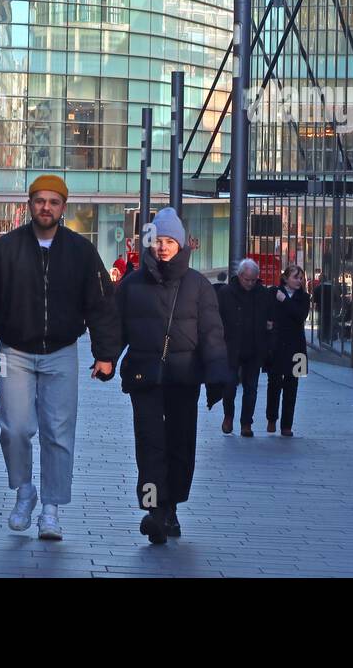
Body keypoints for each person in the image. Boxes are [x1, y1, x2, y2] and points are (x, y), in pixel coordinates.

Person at [0, 175, 121, 542]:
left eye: (53, 201)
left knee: (58, 433)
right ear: (29, 204)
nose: (46, 207)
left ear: (63, 207)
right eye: (39, 201)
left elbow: (101, 305)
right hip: (14, 353)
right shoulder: (6, 250)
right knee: (15, 429)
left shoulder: (80, 252)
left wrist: (105, 354)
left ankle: (50, 509)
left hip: (62, 353)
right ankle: (25, 491)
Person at [116, 207, 230, 544]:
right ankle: (155, 510)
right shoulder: (132, 284)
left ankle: (171, 507)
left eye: (169, 241)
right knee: (150, 444)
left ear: (180, 245)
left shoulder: (198, 286)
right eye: (158, 240)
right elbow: (115, 328)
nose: (163, 247)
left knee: (180, 443)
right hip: (144, 377)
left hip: (184, 378)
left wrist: (217, 376)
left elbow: (212, 333)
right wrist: (105, 359)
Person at [216, 258, 272, 436]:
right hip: (231, 347)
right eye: (246, 279)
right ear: (240, 276)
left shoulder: (263, 293)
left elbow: (270, 318)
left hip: (254, 348)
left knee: (251, 388)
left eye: (253, 280)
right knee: (229, 385)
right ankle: (228, 416)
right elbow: (217, 318)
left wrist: (268, 331)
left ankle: (246, 423)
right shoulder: (226, 293)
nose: (249, 283)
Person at [264, 264, 310, 437]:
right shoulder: (272, 293)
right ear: (285, 278)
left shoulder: (304, 297)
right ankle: (271, 418)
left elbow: (300, 316)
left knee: (292, 386)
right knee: (274, 383)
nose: (298, 281)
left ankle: (287, 425)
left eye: (300, 278)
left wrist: (285, 300)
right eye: (295, 277)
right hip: (276, 345)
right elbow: (267, 313)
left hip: (297, 347)